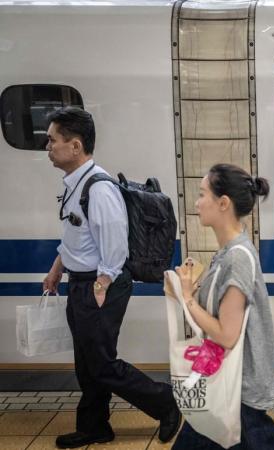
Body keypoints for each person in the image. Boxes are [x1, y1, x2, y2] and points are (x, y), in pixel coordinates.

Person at [42, 107, 180, 449]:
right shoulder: (75, 185)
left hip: (100, 285)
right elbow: (77, 235)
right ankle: (94, 426)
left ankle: (166, 403)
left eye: (52, 140)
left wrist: (100, 287)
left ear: (75, 146)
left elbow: (115, 248)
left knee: (101, 363)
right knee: (87, 362)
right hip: (82, 283)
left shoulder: (99, 189)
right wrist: (57, 268)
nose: (48, 147)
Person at [172, 164, 274, 450]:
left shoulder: (237, 259)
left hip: (235, 387)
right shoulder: (228, 253)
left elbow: (226, 334)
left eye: (202, 194)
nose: (196, 202)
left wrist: (187, 299)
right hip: (226, 382)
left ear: (223, 203)